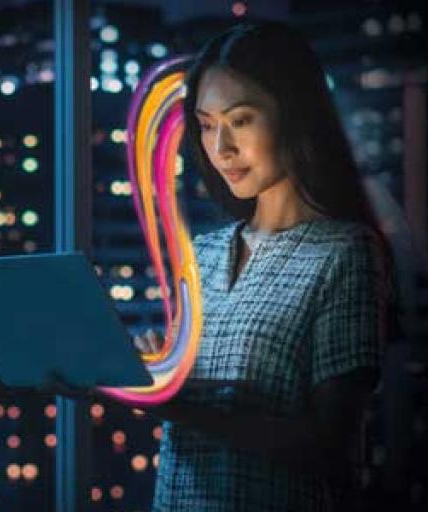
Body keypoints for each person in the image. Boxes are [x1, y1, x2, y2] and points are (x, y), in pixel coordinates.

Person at [128, 20, 398, 511]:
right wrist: (154, 372)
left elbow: (332, 448)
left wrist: (184, 409)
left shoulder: (345, 253)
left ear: (294, 115)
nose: (221, 147)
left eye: (241, 119)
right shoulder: (202, 257)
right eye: (207, 125)